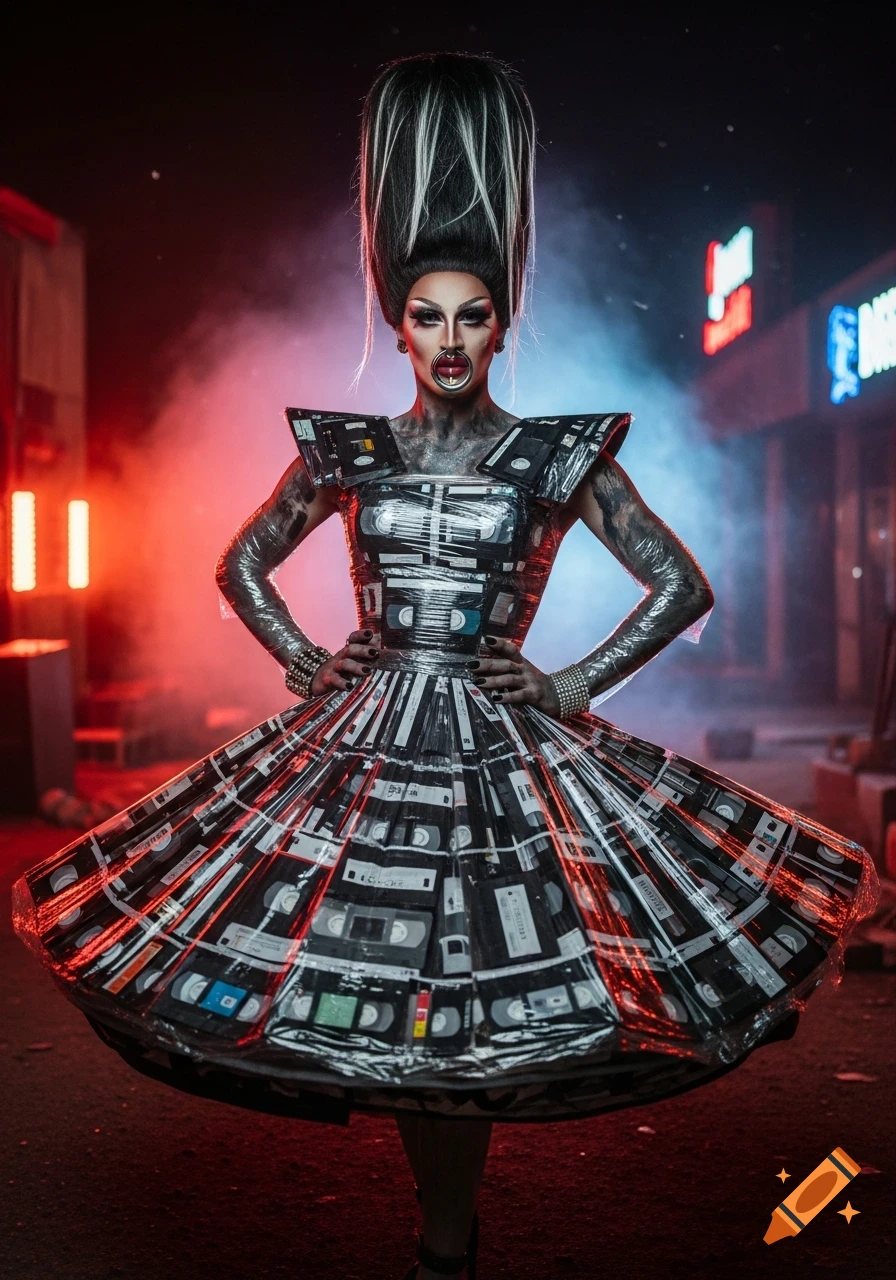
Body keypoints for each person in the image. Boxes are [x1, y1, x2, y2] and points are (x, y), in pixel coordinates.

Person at [13, 53, 878, 1280]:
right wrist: (312, 660)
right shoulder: (349, 451)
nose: (449, 336)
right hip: (360, 736)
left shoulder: (549, 454)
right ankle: (446, 1234)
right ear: (399, 324)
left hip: (496, 742)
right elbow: (242, 562)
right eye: (427, 314)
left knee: (474, 978)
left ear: (498, 322)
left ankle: (444, 1238)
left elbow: (680, 583)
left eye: (471, 314)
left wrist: (571, 686)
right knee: (380, 970)